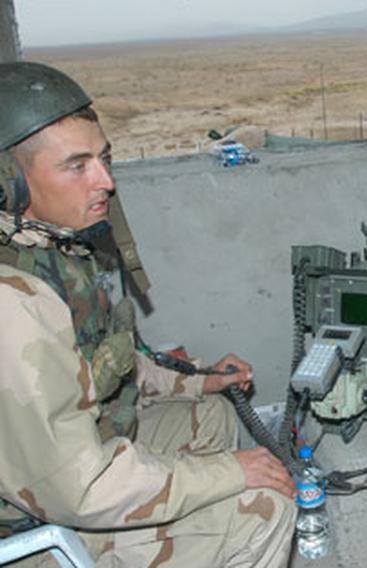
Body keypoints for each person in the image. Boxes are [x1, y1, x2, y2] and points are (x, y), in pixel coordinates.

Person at [0, 61, 296, 566]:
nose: (106, 181)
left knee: (211, 416)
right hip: (40, 522)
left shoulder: (47, 249)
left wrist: (200, 381)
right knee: (263, 509)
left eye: (104, 158)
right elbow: (81, 487)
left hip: (75, 458)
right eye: (77, 165)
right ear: (10, 186)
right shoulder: (16, 305)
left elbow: (102, 365)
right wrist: (231, 474)